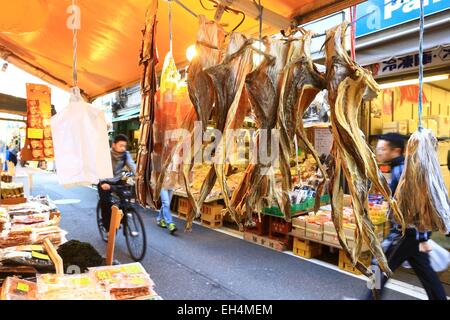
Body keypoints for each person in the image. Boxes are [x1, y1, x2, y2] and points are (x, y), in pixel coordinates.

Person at [365, 133, 447, 300]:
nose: (378, 152)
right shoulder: (397, 168)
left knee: (379, 265)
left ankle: (368, 298)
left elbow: (418, 204)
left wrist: (422, 237)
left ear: (395, 151)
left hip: (405, 233)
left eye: (382, 149)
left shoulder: (403, 170)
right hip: (410, 234)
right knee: (425, 271)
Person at [98, 134, 136, 231]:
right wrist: (102, 182)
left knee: (124, 201)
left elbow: (132, 166)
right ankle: (107, 227)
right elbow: (100, 168)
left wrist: (139, 177)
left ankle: (121, 219)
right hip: (105, 181)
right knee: (105, 203)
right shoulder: (106, 154)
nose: (123, 148)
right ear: (114, 145)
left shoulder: (125, 155)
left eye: (124, 146)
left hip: (117, 180)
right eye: (121, 145)